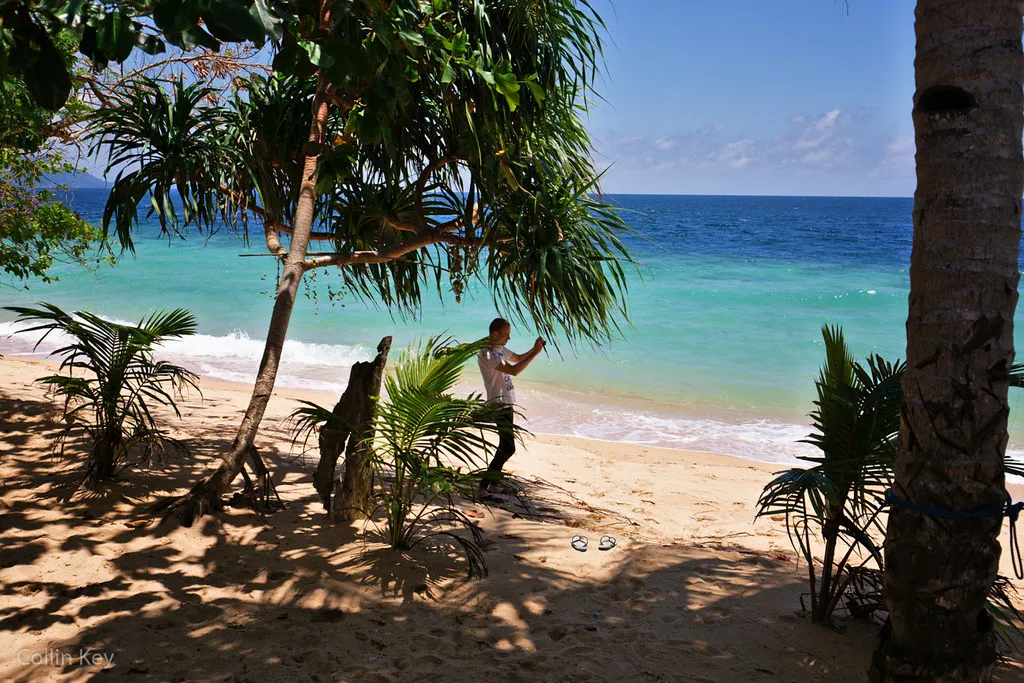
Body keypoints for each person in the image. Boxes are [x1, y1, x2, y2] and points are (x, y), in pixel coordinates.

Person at [477, 317, 545, 493]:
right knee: (508, 447)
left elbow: (518, 358)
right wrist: (536, 353)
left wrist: (534, 349)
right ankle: (485, 484)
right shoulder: (487, 353)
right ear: (495, 334)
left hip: (506, 402)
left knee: (505, 445)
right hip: (499, 404)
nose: (509, 338)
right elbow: (514, 370)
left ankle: (492, 484)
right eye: (506, 334)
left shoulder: (500, 349)